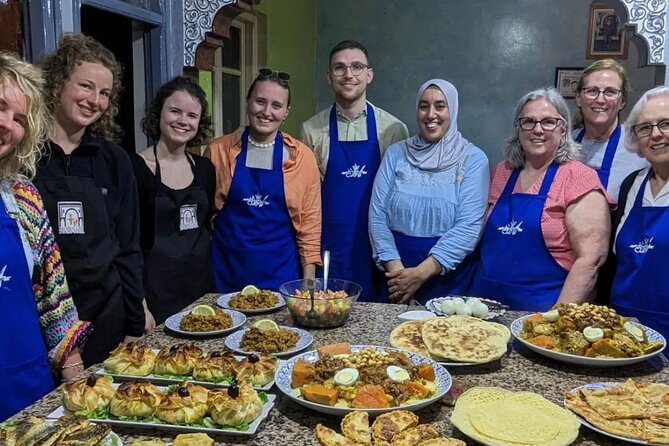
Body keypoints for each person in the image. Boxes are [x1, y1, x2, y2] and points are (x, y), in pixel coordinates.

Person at [35, 33, 151, 367]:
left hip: (106, 315)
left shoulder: (115, 161)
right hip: (41, 319)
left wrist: (134, 323)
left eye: (104, 93)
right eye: (85, 86)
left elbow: (128, 248)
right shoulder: (25, 156)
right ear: (57, 83)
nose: (94, 100)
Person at [0, 52, 91, 420]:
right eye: (1, 106)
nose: (7, 124)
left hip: (29, 388)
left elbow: (53, 298)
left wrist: (76, 381)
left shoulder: (22, 196)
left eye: (19, 118)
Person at [469, 87, 611, 311]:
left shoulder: (579, 177)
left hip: (543, 308)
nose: (537, 130)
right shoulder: (503, 172)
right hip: (484, 306)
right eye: (528, 121)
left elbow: (590, 260)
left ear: (563, 128)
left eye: (548, 122)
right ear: (518, 128)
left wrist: (556, 320)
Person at [299, 40, 409, 302]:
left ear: (369, 75)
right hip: (330, 246)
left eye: (357, 67)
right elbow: (304, 201)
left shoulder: (393, 129)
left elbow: (399, 197)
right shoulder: (310, 130)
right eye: (340, 68)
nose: (349, 75)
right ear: (329, 77)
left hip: (376, 247)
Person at [369, 79, 489, 305]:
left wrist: (419, 275)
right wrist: (400, 277)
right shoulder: (396, 154)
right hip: (394, 277)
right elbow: (377, 216)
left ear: (452, 110)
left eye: (440, 106)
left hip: (447, 279)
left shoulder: (473, 159)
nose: (431, 114)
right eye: (424, 106)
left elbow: (469, 226)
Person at [206, 69, 321, 292]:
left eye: (276, 106)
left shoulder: (302, 158)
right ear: (248, 102)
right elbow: (206, 216)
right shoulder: (217, 151)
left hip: (281, 277)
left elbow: (310, 226)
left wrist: (308, 286)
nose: (266, 112)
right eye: (260, 101)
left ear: (286, 112)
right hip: (226, 273)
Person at [132, 76, 216, 324]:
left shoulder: (205, 170)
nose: (183, 121)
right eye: (175, 111)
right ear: (158, 113)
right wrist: (140, 304)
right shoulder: (134, 168)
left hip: (201, 291)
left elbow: (206, 225)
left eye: (192, 115)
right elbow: (127, 243)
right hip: (155, 294)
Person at [609, 86, 669, 340]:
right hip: (624, 328)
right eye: (645, 127)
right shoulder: (631, 185)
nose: (656, 134)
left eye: (665, 124)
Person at [572, 59, 648, 203]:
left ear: (622, 101)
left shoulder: (638, 145)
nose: (600, 100)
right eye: (592, 91)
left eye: (610, 92)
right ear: (578, 98)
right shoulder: (564, 143)